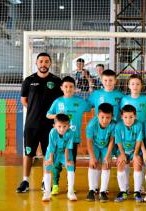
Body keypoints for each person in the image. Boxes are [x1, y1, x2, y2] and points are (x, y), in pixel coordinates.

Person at [16, 52, 62, 193]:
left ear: (50, 64)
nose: (43, 64)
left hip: (50, 125)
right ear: (36, 63)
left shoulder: (56, 81)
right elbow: (24, 100)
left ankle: (45, 180)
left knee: (48, 154)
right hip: (32, 124)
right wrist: (34, 110)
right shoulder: (29, 80)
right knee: (28, 153)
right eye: (41, 61)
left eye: (46, 61)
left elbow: (60, 101)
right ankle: (25, 181)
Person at [46, 76, 91, 195]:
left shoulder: (80, 101)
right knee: (56, 163)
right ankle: (55, 185)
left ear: (75, 88)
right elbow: (48, 115)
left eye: (71, 86)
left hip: (73, 137)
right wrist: (57, 116)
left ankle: (69, 185)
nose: (68, 88)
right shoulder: (58, 101)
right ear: (61, 88)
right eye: (66, 86)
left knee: (71, 161)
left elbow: (91, 106)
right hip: (59, 138)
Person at [88, 69, 123, 193]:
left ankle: (105, 188)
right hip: (99, 132)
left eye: (111, 80)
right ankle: (94, 188)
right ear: (102, 81)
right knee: (96, 161)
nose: (108, 82)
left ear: (115, 81)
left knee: (108, 160)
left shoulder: (120, 95)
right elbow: (87, 106)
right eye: (106, 80)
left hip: (114, 131)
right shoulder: (96, 94)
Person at [120, 74, 146, 193]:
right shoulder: (125, 99)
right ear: (128, 85)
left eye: (138, 84)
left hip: (143, 134)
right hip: (129, 134)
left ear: (141, 86)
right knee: (126, 160)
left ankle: (140, 186)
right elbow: (122, 115)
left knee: (140, 160)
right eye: (132, 84)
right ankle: (126, 187)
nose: (135, 86)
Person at [42, 113, 77, 201]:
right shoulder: (52, 132)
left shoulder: (71, 133)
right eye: (59, 126)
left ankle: (70, 192)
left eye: (64, 126)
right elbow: (51, 147)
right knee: (47, 167)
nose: (62, 129)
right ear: (54, 126)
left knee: (71, 166)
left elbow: (67, 147)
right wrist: (50, 159)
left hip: (64, 152)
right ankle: (47, 192)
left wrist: (67, 161)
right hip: (52, 152)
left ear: (68, 126)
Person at [85, 103, 116, 203]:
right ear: (97, 115)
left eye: (108, 118)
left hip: (106, 146)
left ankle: (103, 191)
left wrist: (107, 156)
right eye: (102, 117)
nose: (105, 120)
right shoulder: (91, 125)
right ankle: (92, 190)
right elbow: (89, 142)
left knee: (106, 164)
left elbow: (112, 140)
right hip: (95, 145)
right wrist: (92, 157)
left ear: (112, 117)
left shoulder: (113, 125)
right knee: (93, 164)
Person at [114, 105, 143, 203]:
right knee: (121, 162)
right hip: (122, 150)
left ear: (135, 116)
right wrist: (122, 154)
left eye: (131, 117)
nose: (128, 120)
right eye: (125, 117)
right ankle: (123, 191)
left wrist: (135, 154)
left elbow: (139, 141)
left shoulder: (138, 125)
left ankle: (137, 191)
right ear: (122, 116)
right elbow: (118, 142)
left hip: (134, 150)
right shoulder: (118, 126)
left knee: (138, 162)